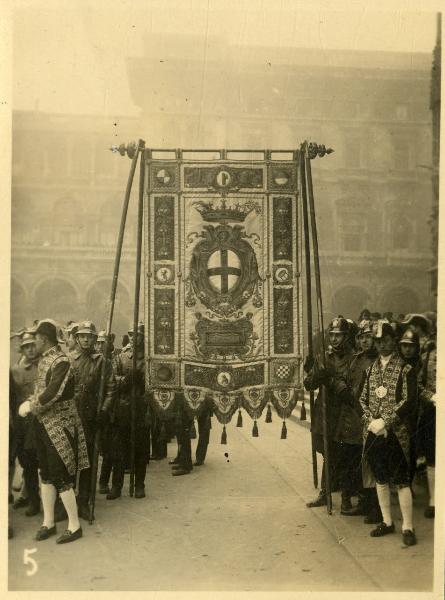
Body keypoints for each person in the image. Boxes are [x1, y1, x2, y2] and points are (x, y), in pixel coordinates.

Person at [18, 319, 89, 544]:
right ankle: (48, 522)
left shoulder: (62, 361)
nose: (33, 344)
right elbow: (42, 389)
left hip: (61, 424)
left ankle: (74, 525)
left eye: (36, 339)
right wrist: (32, 402)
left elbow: (54, 391)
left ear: (44, 340)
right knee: (45, 473)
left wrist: (31, 405)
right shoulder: (45, 360)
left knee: (60, 475)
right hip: (44, 424)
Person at [359, 320, 418, 546]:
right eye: (378, 341)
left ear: (394, 341)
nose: (382, 345)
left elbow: (409, 401)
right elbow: (362, 399)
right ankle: (387, 521)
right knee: (381, 477)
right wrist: (371, 421)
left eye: (386, 341)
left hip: (396, 433)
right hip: (374, 431)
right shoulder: (370, 370)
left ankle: (408, 526)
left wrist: (386, 421)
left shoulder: (406, 369)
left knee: (401, 480)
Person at [304, 317, 354, 509]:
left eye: (338, 335)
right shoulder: (324, 357)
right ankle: (325, 493)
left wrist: (331, 379)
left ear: (346, 337)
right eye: (331, 335)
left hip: (345, 411)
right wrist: (316, 374)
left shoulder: (353, 359)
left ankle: (347, 498)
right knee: (327, 452)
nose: (334, 339)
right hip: (325, 411)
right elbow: (308, 384)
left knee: (345, 453)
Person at [70, 321, 115, 519]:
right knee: (69, 460)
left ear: (95, 339)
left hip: (91, 417)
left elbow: (111, 388)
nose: (86, 339)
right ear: (77, 338)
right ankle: (67, 503)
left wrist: (103, 411)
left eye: (89, 336)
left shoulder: (101, 362)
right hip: (71, 416)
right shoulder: (70, 360)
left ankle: (84, 501)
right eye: (82, 336)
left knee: (87, 461)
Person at [344, 319, 381, 522]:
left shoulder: (380, 361)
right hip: (357, 416)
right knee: (361, 462)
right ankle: (365, 502)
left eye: (369, 337)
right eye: (362, 337)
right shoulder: (356, 360)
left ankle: (376, 507)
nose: (366, 341)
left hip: (376, 416)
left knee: (375, 463)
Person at [108, 322, 150, 498]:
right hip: (123, 406)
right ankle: (116, 486)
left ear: (144, 337)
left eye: (137, 335)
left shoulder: (149, 359)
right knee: (119, 449)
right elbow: (113, 379)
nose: (133, 338)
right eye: (131, 335)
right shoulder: (121, 357)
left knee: (140, 449)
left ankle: (139, 484)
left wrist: (142, 380)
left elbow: (154, 383)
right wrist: (126, 380)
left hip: (141, 407)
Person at [11, 331, 41, 517]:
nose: (30, 349)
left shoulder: (44, 366)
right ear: (21, 349)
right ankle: (33, 500)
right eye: (26, 346)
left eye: (33, 345)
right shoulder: (15, 370)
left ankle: (53, 502)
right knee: (27, 462)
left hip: (41, 419)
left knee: (44, 462)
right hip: (23, 423)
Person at [417, 335, 436, 518]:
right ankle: (434, 500)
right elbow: (418, 385)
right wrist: (431, 397)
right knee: (432, 457)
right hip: (433, 411)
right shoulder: (428, 356)